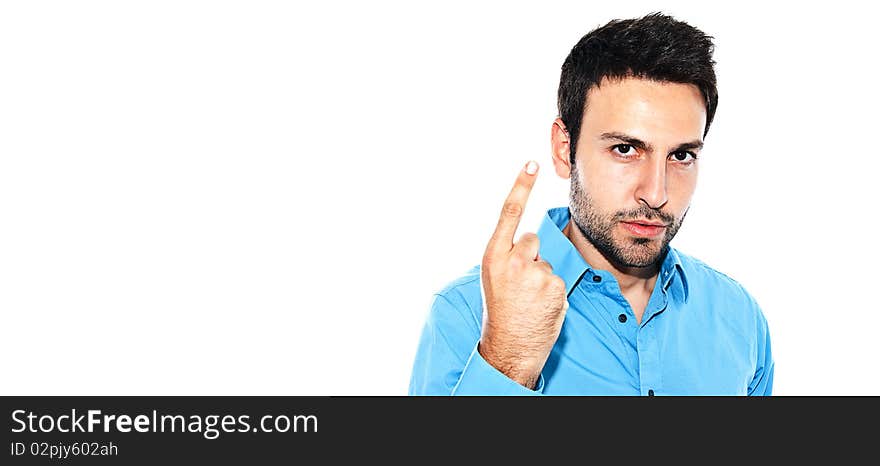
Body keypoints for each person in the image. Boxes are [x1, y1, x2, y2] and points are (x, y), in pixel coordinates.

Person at [408, 12, 774, 395]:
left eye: (681, 156)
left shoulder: (740, 318)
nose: (656, 194)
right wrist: (508, 361)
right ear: (565, 150)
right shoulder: (466, 315)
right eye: (626, 149)